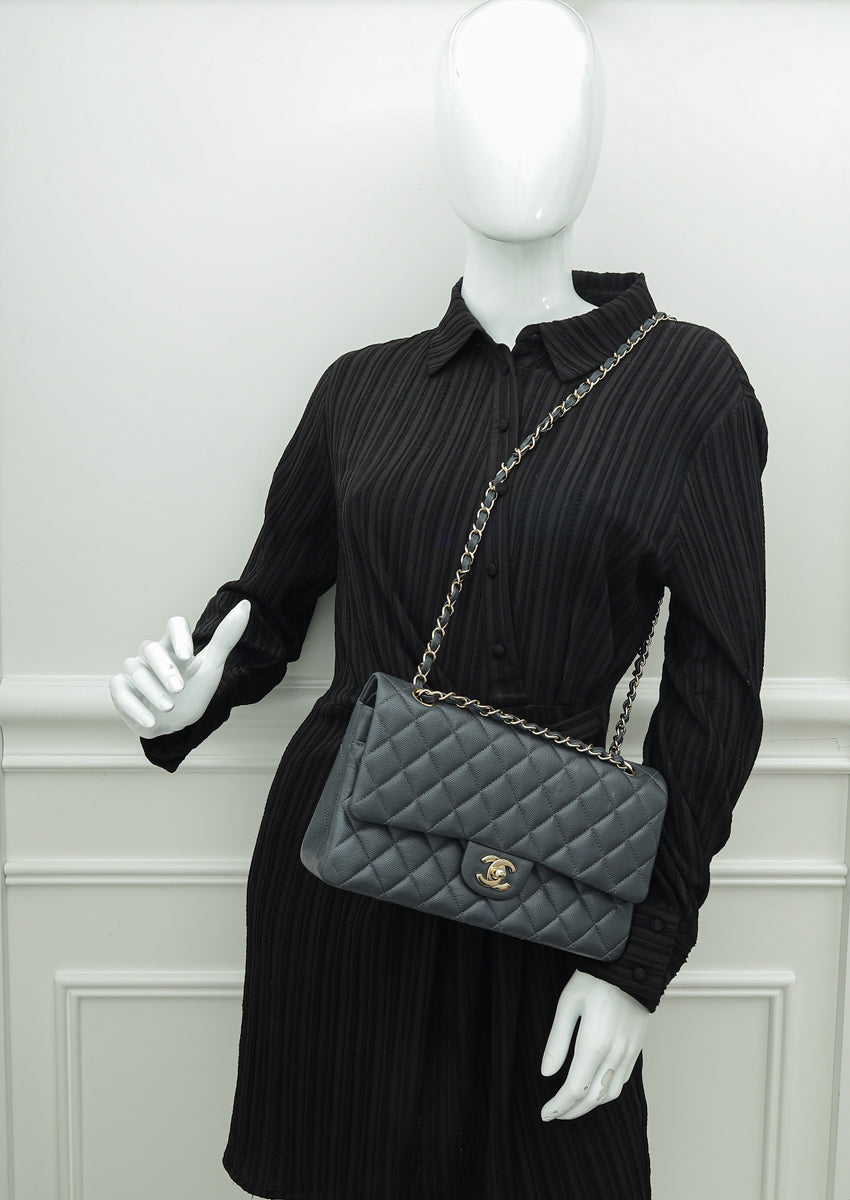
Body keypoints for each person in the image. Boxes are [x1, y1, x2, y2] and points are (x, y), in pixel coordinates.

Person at [110, 2, 768, 1197]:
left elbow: (716, 702)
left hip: (553, 884)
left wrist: (639, 958)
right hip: (341, 874)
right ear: (438, 132)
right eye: (482, 97)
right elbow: (268, 605)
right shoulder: (360, 390)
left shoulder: (687, 384)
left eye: (554, 98)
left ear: (599, 130)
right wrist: (190, 694)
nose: (518, 134)